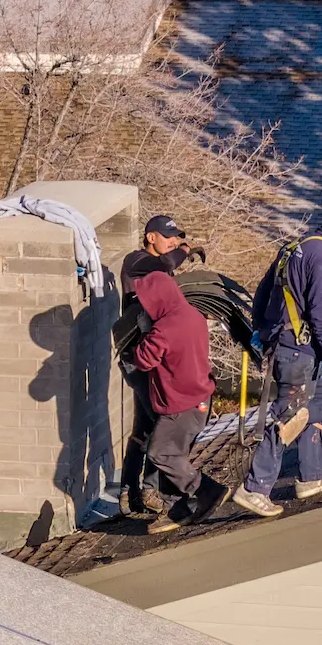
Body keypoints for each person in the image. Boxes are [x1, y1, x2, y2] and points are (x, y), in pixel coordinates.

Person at [232, 206, 322, 519]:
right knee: (289, 417)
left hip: (285, 345)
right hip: (300, 350)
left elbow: (262, 293)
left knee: (318, 406)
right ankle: (255, 488)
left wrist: (261, 331)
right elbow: (321, 309)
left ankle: (313, 477)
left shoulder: (293, 249)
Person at [130, 269, 227, 533]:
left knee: (160, 453)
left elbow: (143, 359)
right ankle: (177, 510)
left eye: (146, 301)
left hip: (180, 405)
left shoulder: (163, 329)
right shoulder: (193, 315)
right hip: (200, 398)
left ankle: (207, 491)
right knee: (173, 455)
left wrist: (145, 333)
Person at [116, 214, 192, 516]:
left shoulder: (156, 268)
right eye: (167, 236)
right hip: (138, 357)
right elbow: (165, 266)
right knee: (165, 421)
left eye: (176, 236)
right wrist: (185, 252)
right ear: (150, 237)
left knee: (146, 427)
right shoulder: (136, 261)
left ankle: (130, 492)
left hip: (152, 356)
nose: (173, 241)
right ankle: (151, 491)